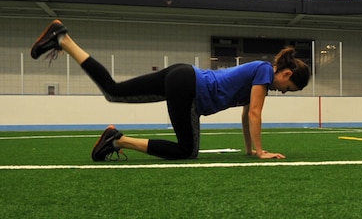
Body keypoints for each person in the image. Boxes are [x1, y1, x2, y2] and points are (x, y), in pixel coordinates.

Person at [30, 19, 311, 161]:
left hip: (182, 75)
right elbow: (255, 114)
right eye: (289, 87)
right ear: (286, 73)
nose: (284, 91)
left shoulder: (258, 75)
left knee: (113, 91)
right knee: (187, 152)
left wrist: (251, 150)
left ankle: (64, 40)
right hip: (190, 88)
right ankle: (116, 140)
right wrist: (261, 152)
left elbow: (247, 113)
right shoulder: (263, 71)